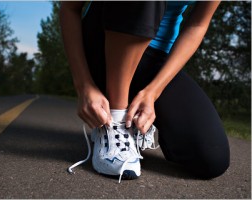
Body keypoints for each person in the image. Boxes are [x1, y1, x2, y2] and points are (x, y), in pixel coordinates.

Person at [60, 1, 230, 182]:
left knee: (212, 158)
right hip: (105, 42)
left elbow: (198, 25)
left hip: (157, 59)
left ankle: (137, 119)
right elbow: (69, 8)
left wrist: (153, 91)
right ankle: (116, 120)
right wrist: (84, 85)